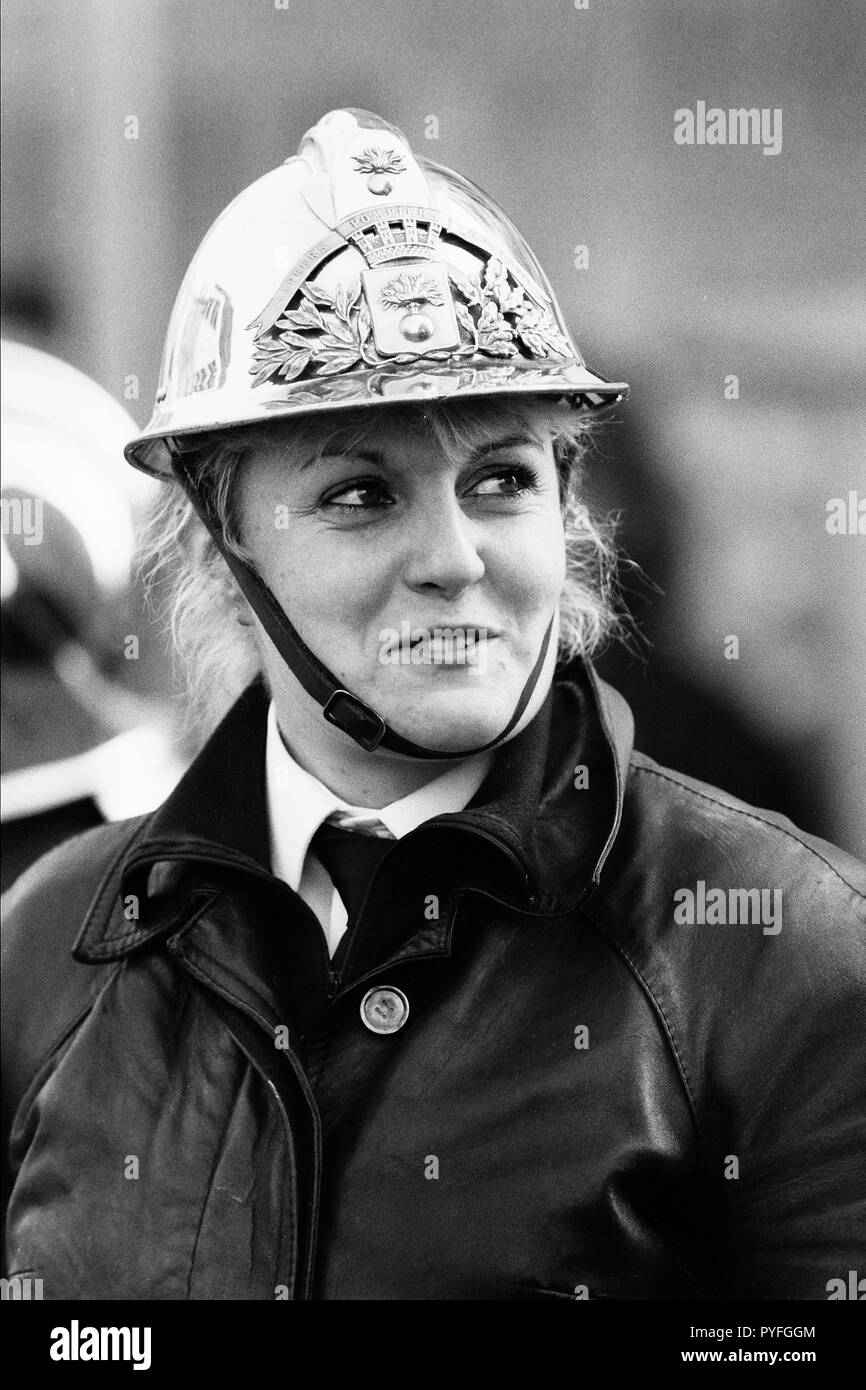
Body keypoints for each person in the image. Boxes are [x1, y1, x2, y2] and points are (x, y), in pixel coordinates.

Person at [2, 108, 863, 1302]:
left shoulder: (788, 952)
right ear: (219, 543)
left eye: (500, 479)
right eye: (360, 493)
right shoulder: (44, 945)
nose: (455, 556)